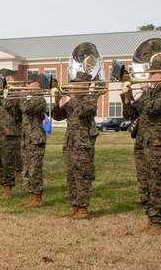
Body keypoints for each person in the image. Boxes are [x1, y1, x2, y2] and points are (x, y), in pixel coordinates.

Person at [121, 64, 161, 233]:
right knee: (143, 183)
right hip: (142, 143)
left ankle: (158, 221)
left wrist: (144, 92)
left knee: (155, 184)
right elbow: (130, 114)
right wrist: (127, 97)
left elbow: (151, 108)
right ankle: (150, 218)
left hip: (156, 144)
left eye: (153, 73)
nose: (149, 76)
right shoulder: (149, 95)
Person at [51, 74, 100, 219]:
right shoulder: (72, 101)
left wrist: (73, 96)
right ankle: (74, 205)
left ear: (85, 85)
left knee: (81, 175)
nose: (72, 86)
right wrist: (56, 102)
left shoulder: (90, 99)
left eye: (76, 84)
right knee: (71, 175)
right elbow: (58, 116)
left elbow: (81, 112)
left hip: (83, 142)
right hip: (70, 142)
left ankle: (83, 208)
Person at [18, 77, 48, 208]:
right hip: (27, 139)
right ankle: (31, 196)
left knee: (35, 169)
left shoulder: (40, 100)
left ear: (38, 87)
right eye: (28, 85)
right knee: (27, 169)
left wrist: (22, 95)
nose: (29, 87)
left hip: (36, 139)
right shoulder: (30, 99)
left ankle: (38, 197)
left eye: (31, 85)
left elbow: (26, 109)